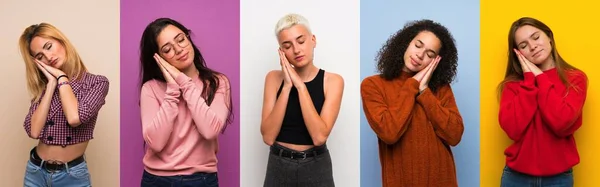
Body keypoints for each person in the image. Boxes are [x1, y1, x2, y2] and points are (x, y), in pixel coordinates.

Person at [360, 19, 464, 187]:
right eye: (418, 45)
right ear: (406, 43)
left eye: (430, 54)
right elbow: (389, 133)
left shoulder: (441, 89)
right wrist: (412, 85)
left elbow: (455, 135)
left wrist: (424, 92)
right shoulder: (373, 85)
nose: (420, 55)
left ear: (436, 61)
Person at [138, 18, 234, 187]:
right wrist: (173, 91)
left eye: (181, 39)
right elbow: (157, 143)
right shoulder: (150, 89)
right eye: (167, 49)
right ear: (158, 58)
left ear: (188, 38)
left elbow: (210, 131)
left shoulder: (218, 82)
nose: (178, 49)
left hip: (202, 179)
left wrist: (184, 82)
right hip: (156, 180)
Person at [498, 17, 587, 187]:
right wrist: (530, 80)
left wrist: (540, 76)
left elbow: (561, 122)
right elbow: (513, 130)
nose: (532, 46)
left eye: (536, 37)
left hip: (559, 179)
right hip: (516, 178)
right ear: (518, 53)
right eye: (523, 45)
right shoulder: (512, 85)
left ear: (549, 37)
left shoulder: (575, 79)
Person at [19, 23, 110, 187]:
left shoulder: (96, 83)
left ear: (61, 41)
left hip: (72, 176)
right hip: (35, 173)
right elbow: (33, 131)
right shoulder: (43, 89)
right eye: (39, 56)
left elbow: (75, 117)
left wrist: (62, 78)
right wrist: (52, 85)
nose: (48, 56)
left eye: (49, 46)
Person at [260, 13, 344, 187]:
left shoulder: (333, 81)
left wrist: (300, 87)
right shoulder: (274, 79)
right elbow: (268, 136)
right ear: (281, 51)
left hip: (316, 165)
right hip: (279, 164)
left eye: (301, 41)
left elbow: (319, 137)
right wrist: (287, 86)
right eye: (287, 45)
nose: (296, 50)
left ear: (313, 40)